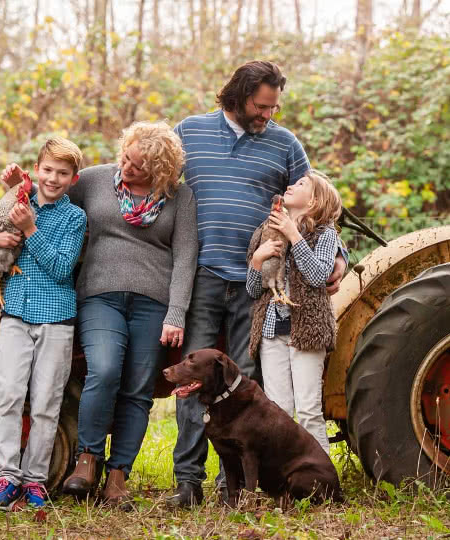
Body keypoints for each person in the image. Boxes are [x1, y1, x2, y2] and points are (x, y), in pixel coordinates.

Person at [167, 60, 348, 508]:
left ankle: (241, 489)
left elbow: (318, 203)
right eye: (262, 105)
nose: (269, 114)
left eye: (274, 107)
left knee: (245, 389)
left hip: (263, 289)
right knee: (194, 381)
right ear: (238, 94)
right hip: (205, 276)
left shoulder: (285, 144)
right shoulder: (188, 132)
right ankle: (187, 482)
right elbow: (157, 188)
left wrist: (340, 256)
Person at [59, 121, 198, 508]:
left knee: (138, 390)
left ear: (160, 168)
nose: (127, 167)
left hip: (153, 304)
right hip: (100, 296)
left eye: (138, 165)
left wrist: (176, 313)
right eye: (126, 156)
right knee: (103, 371)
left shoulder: (179, 198)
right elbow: (48, 194)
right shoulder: (96, 180)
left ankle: (118, 476)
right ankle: (87, 459)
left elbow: (185, 259)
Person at [0, 137, 87, 509]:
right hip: (15, 314)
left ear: (74, 178)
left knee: (45, 401)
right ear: (36, 170)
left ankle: (35, 480)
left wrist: (31, 229)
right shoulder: (15, 203)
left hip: (56, 319)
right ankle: (7, 475)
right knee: (8, 394)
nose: (53, 179)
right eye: (48, 170)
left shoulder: (74, 218)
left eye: (63, 173)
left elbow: (60, 269)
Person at [246, 170, 342, 454]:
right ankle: (285, 479)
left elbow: (318, 276)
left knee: (309, 409)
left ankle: (322, 481)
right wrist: (257, 258)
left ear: (313, 202)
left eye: (301, 184)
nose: (290, 185)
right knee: (278, 411)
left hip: (308, 333)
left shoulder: (325, 234)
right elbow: (253, 290)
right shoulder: (266, 230)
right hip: (271, 333)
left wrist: (293, 234)